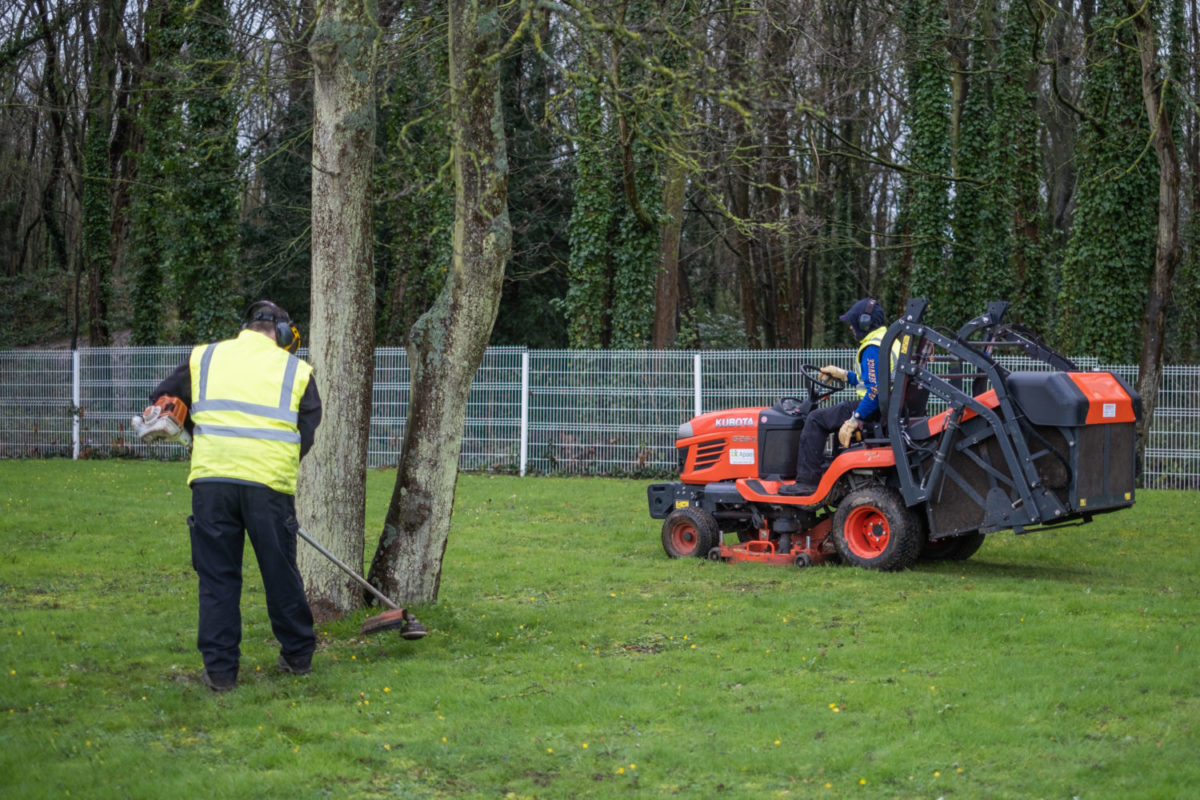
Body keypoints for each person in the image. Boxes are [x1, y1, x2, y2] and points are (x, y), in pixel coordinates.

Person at [148, 300, 322, 691]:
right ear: (282, 334)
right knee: (280, 573)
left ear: (246, 327)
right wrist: (281, 455)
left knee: (218, 578)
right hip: (269, 485)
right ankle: (297, 656)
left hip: (211, 483)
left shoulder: (205, 358)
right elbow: (309, 420)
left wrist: (200, 436)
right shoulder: (296, 369)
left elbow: (163, 398)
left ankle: (221, 674)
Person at [781, 298, 890, 496]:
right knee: (832, 412)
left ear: (864, 322)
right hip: (884, 407)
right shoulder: (888, 340)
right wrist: (842, 374)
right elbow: (871, 381)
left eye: (853, 321)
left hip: (873, 409)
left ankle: (807, 482)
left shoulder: (872, 348)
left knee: (815, 419)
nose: (850, 326)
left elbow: (874, 390)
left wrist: (855, 418)